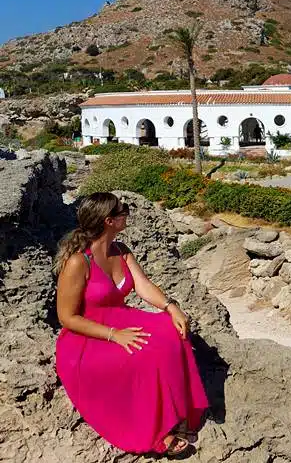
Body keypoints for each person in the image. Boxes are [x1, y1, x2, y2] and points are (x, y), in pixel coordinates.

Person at [55, 192, 208, 457]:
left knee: (173, 332)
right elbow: (67, 318)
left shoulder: (121, 250)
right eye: (122, 209)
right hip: (88, 334)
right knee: (143, 355)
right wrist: (114, 335)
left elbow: (143, 285)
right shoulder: (79, 261)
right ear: (108, 221)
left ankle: (179, 412)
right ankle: (159, 430)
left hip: (121, 317)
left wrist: (171, 307)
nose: (127, 211)